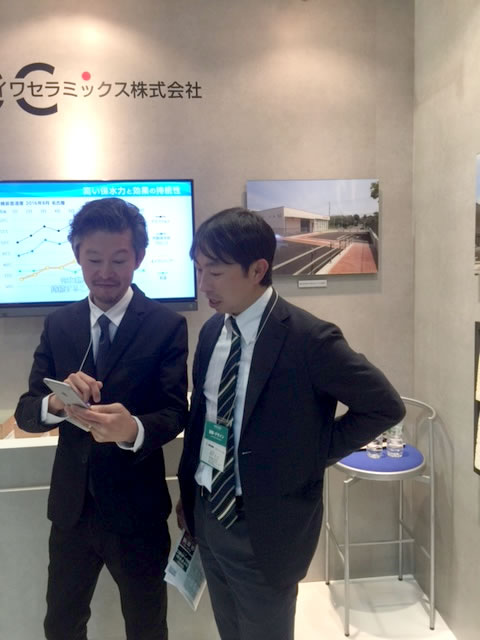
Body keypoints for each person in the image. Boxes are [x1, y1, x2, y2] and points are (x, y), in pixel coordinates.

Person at [177, 207, 405, 640]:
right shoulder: (211, 333)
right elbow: (203, 418)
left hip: (265, 528)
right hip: (208, 514)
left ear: (257, 269)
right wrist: (191, 493)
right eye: (199, 269)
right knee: (228, 629)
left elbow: (384, 407)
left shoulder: (309, 339)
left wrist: (311, 454)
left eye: (215, 272)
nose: (203, 284)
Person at [15, 198, 188, 640]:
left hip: (138, 513)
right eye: (93, 260)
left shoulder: (166, 325)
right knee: (61, 625)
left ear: (140, 257)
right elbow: (26, 411)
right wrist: (56, 405)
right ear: (77, 255)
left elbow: (175, 412)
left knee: (147, 627)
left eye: (119, 260)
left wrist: (133, 429)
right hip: (72, 512)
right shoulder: (59, 324)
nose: (105, 272)